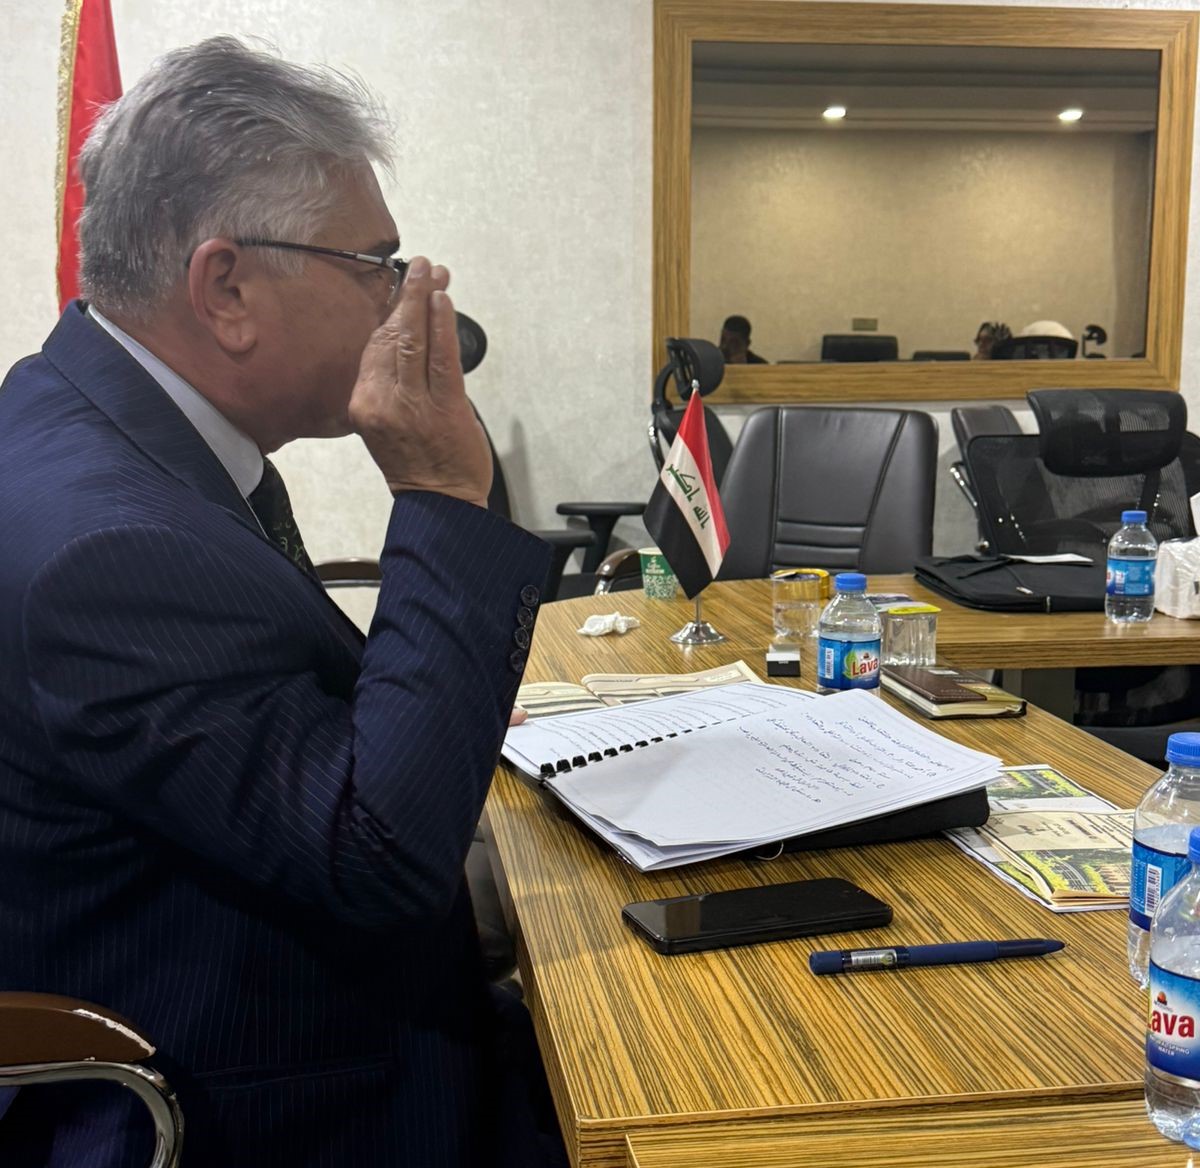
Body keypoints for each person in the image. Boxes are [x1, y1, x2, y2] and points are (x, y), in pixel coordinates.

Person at [0, 37, 565, 1168]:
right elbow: (380, 857)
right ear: (227, 289)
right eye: (374, 264)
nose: (399, 300)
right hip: (273, 1095)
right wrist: (442, 492)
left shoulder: (79, 408)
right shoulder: (112, 550)